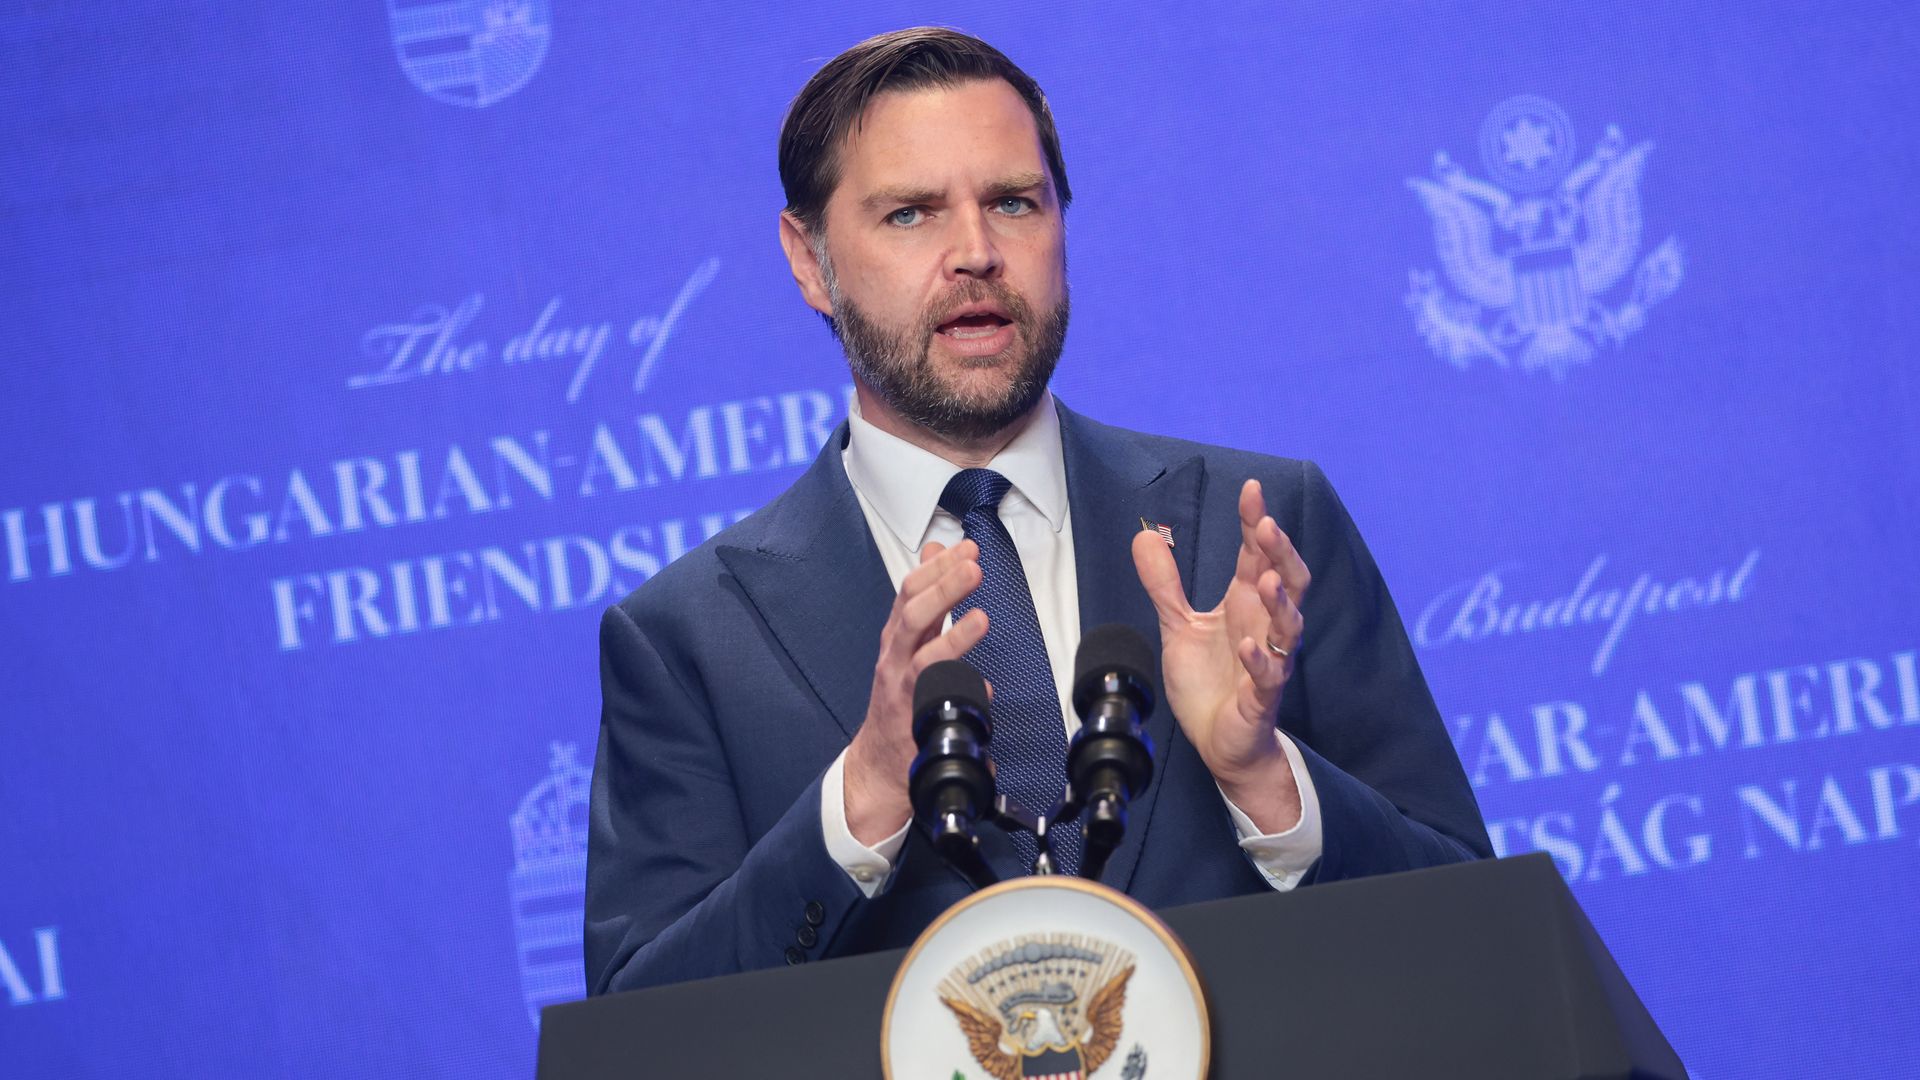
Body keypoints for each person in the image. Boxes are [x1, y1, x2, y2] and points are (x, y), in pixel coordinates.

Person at [584, 27, 1490, 997]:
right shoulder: (687, 637)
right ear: (809, 260)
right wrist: (859, 802)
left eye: (1014, 202)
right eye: (910, 214)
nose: (976, 253)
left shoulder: (1256, 526)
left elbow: (1484, 936)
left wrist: (1268, 782)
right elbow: (644, 1031)